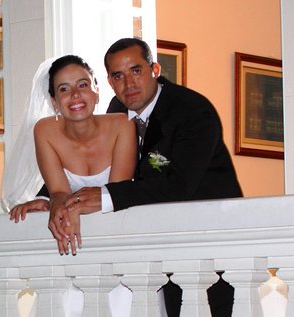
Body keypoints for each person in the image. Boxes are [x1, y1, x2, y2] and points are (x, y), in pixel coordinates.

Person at [46, 37, 243, 252]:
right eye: (118, 76)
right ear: (110, 82)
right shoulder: (117, 109)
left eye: (136, 71)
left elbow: (179, 186)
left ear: (155, 70)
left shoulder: (192, 112)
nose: (128, 84)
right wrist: (49, 197)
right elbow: (87, 158)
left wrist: (106, 197)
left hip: (214, 233)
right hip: (156, 235)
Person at [2, 55, 135, 255]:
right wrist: (51, 203)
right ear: (54, 102)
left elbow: (116, 194)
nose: (75, 94)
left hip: (120, 232)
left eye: (83, 85)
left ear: (96, 92)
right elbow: (59, 191)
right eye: (64, 89)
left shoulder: (123, 125)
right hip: (74, 239)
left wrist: (61, 204)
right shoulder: (44, 131)